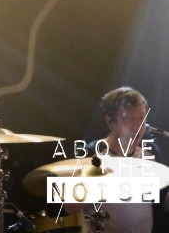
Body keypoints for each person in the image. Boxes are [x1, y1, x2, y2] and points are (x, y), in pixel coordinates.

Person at [64, 86, 169, 233]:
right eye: (128, 118)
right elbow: (61, 207)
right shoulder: (89, 155)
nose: (137, 126)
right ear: (110, 122)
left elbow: (163, 201)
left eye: (141, 117)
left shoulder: (150, 152)